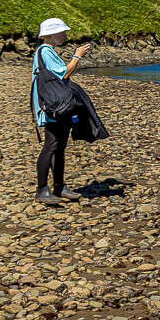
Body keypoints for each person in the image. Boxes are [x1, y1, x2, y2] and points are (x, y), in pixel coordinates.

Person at [31, 17, 92, 205]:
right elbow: (64, 73)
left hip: (53, 105)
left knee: (59, 146)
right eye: (62, 32)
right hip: (53, 107)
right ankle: (42, 190)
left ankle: (59, 186)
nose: (65, 35)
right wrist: (77, 56)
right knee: (51, 146)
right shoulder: (45, 51)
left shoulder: (45, 51)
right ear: (52, 34)